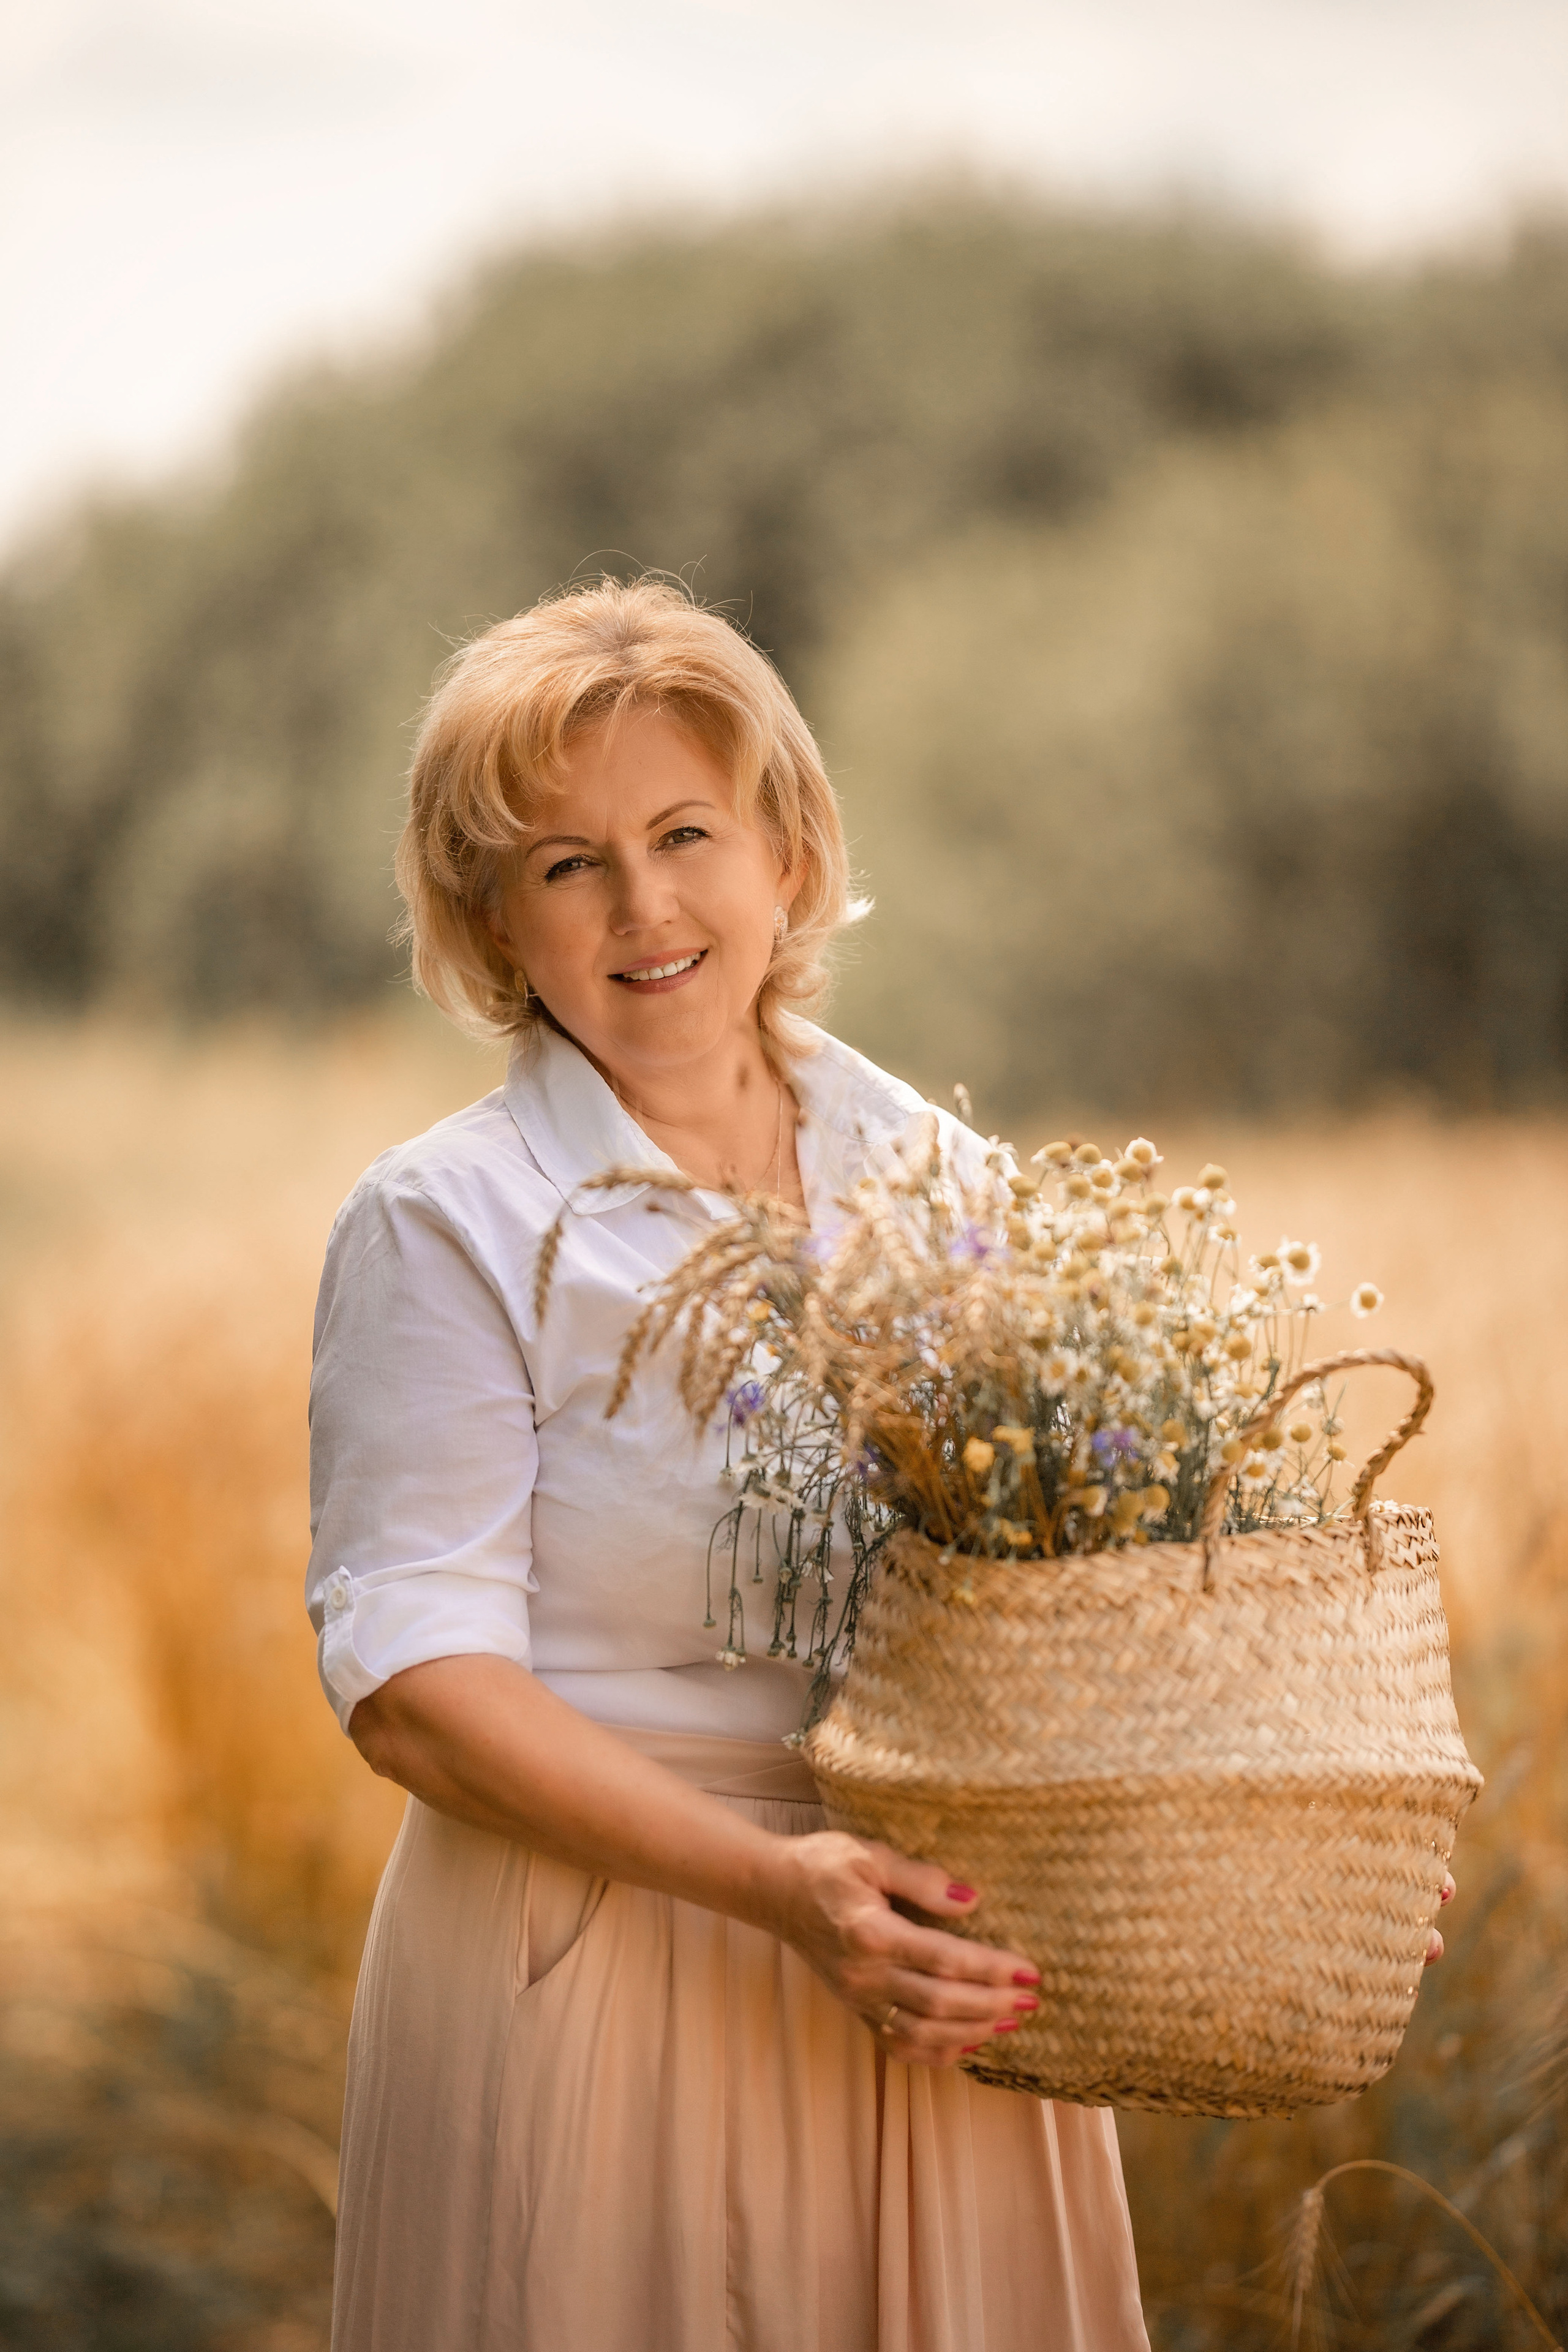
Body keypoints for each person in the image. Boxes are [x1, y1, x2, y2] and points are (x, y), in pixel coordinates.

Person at [306, 579, 1446, 2351]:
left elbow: (1078, 1593)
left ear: (786, 852)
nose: (646, 905)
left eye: (688, 832)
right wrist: (780, 1889)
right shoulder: (448, 1220)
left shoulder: (943, 1181)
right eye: (566, 863)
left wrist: (1297, 1832)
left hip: (948, 1971)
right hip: (599, 1969)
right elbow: (414, 1693)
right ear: (492, 919)